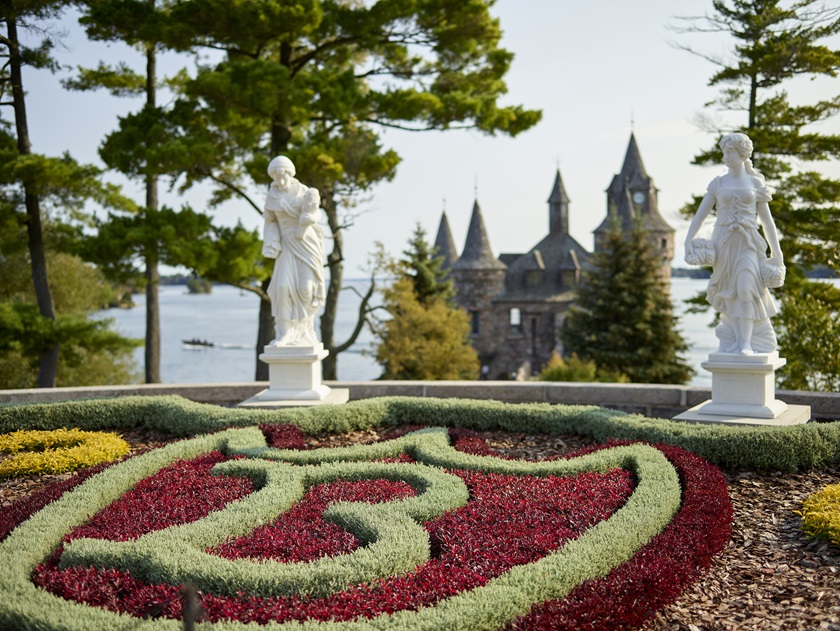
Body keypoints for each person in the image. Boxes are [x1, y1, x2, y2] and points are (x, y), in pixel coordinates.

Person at [684, 132, 785, 355]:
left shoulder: (755, 182)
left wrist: (777, 252)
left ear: (741, 153)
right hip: (724, 244)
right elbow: (700, 216)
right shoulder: (718, 183)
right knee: (730, 290)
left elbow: (767, 222)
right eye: (724, 152)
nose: (725, 157)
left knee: (746, 287)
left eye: (729, 152)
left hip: (749, 242)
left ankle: (746, 343)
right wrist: (687, 241)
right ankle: (738, 342)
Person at [262, 156, 326, 346]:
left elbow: (316, 211)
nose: (280, 181)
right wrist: (271, 241)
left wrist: (310, 219)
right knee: (282, 287)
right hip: (286, 244)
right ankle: (285, 334)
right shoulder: (272, 196)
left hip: (306, 242)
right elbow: (270, 220)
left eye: (283, 176)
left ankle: (305, 330)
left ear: (290, 174)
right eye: (276, 177)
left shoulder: (304, 192)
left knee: (306, 289)